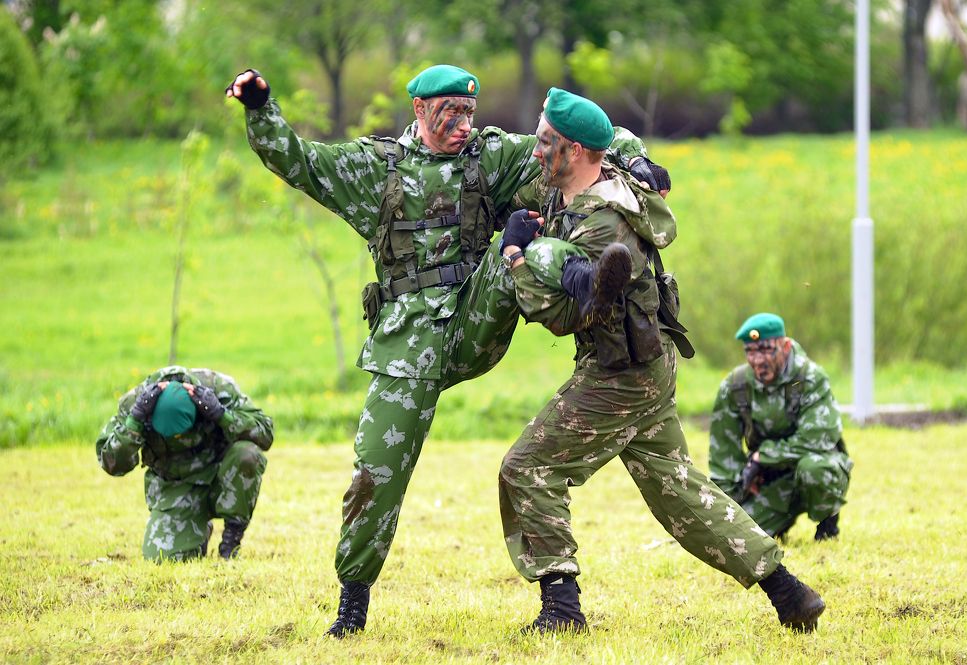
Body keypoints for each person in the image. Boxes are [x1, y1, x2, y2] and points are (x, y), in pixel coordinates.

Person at [226, 64, 669, 637]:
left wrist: (633, 159)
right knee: (374, 473)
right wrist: (260, 106)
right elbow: (298, 161)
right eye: (450, 113)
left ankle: (585, 281)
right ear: (419, 110)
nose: (463, 124)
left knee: (518, 244)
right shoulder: (373, 167)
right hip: (406, 347)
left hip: (473, 321)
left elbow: (575, 139)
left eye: (469, 113)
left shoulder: (488, 158)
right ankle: (351, 607)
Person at [497, 88, 826, 634]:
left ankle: (561, 608)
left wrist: (514, 256)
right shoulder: (600, 186)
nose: (535, 152)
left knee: (527, 468)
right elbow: (615, 144)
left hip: (618, 375)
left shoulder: (605, 224)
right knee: (679, 491)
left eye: (545, 143)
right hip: (649, 368)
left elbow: (560, 316)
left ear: (574, 150)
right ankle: (789, 593)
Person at [96, 366, 273, 561]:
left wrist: (222, 415)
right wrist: (133, 424)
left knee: (247, 454)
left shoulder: (219, 389)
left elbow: (265, 434)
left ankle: (230, 545)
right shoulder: (135, 404)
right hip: (176, 487)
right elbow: (111, 464)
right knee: (162, 558)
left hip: (219, 479)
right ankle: (198, 531)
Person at [708, 313, 852, 541]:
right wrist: (728, 507)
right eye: (750, 351)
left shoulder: (810, 378)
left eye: (765, 349)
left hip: (814, 465)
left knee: (815, 471)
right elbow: (723, 459)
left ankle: (827, 523)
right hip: (769, 479)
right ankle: (777, 523)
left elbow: (816, 440)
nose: (757, 360)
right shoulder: (735, 386)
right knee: (740, 535)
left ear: (785, 347)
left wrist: (761, 457)